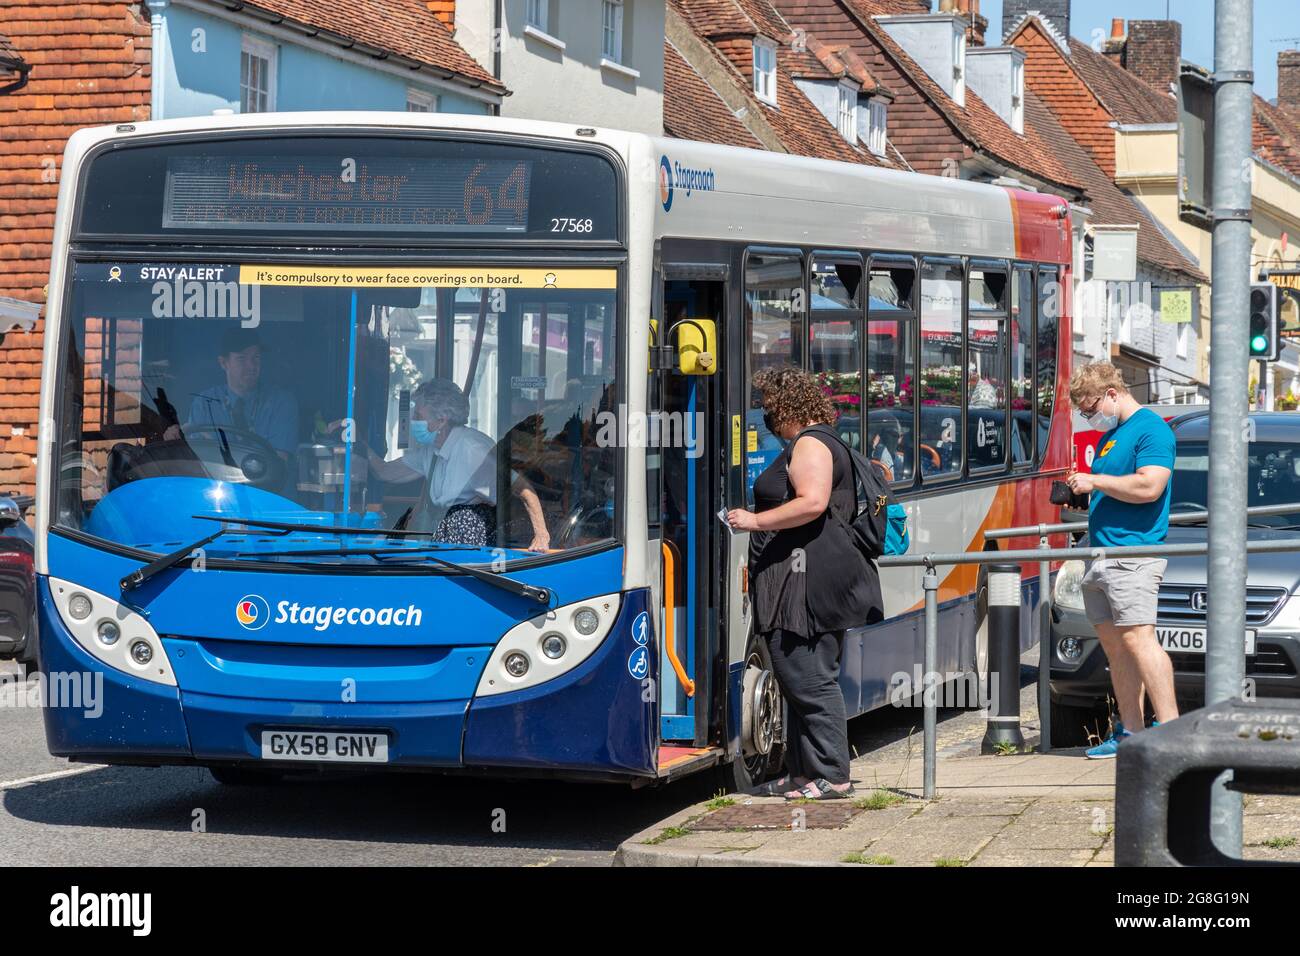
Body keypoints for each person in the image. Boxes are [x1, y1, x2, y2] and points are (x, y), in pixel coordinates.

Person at [726, 366, 881, 800]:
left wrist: (754, 520)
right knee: (799, 677)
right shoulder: (814, 440)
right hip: (801, 578)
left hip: (808, 582)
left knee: (808, 677)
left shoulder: (811, 443)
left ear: (786, 406)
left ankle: (832, 776)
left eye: (769, 407)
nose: (765, 416)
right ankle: (804, 774)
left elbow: (812, 502)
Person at [1066, 362, 1179, 759]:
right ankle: (1131, 730)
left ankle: (1170, 731)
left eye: (1090, 405)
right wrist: (1084, 492)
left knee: (1139, 639)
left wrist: (1094, 481)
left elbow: (1150, 485)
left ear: (1112, 393)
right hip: (1101, 551)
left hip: (1133, 553)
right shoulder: (1115, 434)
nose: (1088, 415)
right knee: (1117, 648)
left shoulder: (1151, 429)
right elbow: (1119, 489)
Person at [365, 378, 549, 550]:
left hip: (470, 537)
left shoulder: (472, 449)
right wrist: (359, 445)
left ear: (441, 419)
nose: (412, 420)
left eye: (418, 415)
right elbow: (385, 472)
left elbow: (523, 488)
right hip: (446, 536)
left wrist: (541, 535)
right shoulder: (432, 450)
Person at [166, 327, 298, 457]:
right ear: (223, 363)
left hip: (266, 478)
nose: (251, 366)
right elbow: (197, 458)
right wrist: (177, 439)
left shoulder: (280, 403)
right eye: (241, 359)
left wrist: (217, 446)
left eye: (256, 357)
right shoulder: (204, 403)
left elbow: (279, 463)